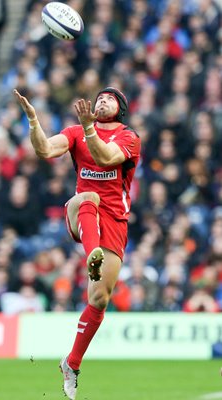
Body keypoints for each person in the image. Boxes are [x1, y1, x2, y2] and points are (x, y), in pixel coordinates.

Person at [14, 86, 141, 400]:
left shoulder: (129, 137)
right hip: (81, 213)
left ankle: (71, 363)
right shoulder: (75, 132)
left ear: (121, 108)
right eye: (99, 97)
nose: (102, 100)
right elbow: (45, 150)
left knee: (99, 299)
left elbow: (106, 157)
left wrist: (88, 128)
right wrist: (33, 121)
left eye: (109, 98)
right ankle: (91, 254)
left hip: (113, 222)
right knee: (88, 196)